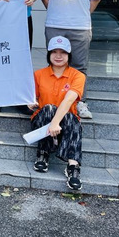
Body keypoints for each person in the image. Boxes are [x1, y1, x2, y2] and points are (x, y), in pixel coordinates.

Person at [41, 0, 102, 119]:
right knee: (55, 64)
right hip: (55, 25)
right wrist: (59, 12)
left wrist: (81, 13)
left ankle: (80, 102)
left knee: (79, 66)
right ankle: (53, 100)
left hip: (80, 27)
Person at [30, 36, 85, 191]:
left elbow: (69, 100)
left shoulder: (78, 76)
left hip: (65, 124)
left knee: (70, 116)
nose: (58, 56)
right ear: (49, 54)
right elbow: (31, 98)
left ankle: (73, 167)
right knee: (48, 108)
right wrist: (30, 103)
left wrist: (55, 123)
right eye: (54, 51)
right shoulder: (39, 74)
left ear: (69, 55)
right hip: (43, 121)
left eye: (63, 52)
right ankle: (43, 154)